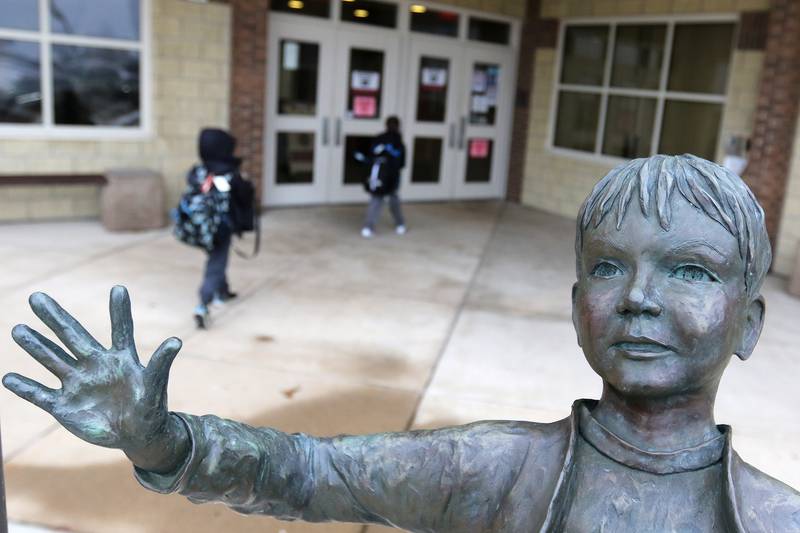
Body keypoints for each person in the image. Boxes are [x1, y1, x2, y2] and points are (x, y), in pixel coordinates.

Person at [4, 154, 799, 531]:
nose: (638, 297)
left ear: (750, 323)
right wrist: (169, 443)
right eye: (608, 266)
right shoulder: (491, 469)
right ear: (575, 304)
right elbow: (311, 472)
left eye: (690, 270)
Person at [189, 128, 252, 329]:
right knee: (216, 263)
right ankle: (203, 304)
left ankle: (223, 291)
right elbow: (244, 196)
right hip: (220, 229)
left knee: (217, 257)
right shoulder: (228, 174)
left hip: (201, 228)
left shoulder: (199, 171)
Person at [360, 116, 406, 238]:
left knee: (377, 200)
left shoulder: (378, 139)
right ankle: (400, 224)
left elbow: (369, 156)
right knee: (392, 200)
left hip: (379, 176)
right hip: (391, 177)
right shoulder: (398, 141)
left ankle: (368, 227)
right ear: (398, 126)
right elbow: (402, 163)